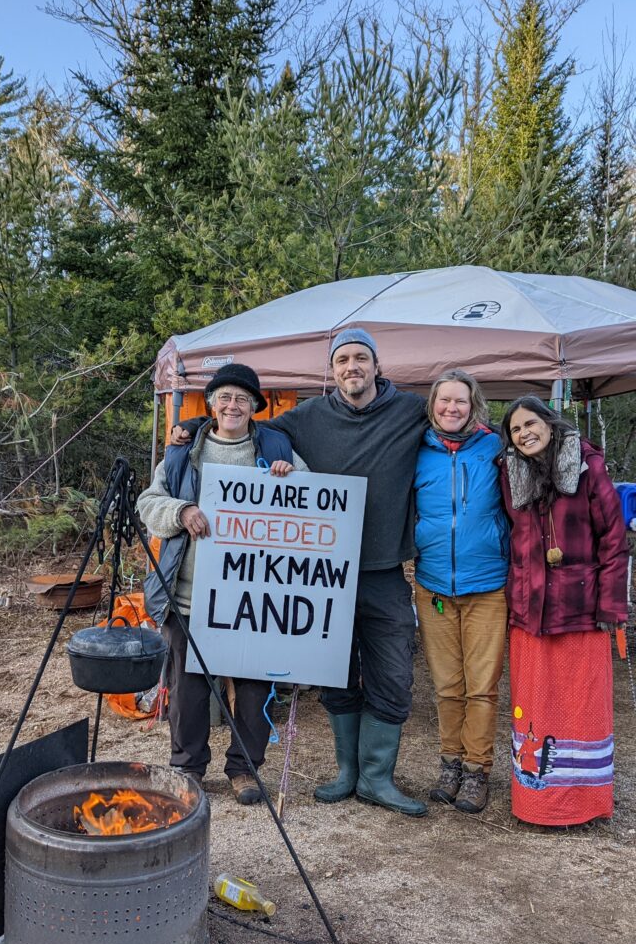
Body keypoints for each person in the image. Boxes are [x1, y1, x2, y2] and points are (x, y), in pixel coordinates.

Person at [172, 328, 429, 816]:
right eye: (342, 361)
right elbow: (242, 422)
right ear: (331, 372)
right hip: (320, 573)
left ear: (376, 365)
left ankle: (378, 777)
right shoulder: (307, 416)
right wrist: (191, 423)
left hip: (381, 569)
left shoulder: (410, 411)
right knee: (334, 674)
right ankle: (346, 774)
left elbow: (458, 418)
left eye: (360, 358)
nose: (351, 367)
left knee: (393, 674)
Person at [137, 363, 307, 805]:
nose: (233, 406)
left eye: (242, 399)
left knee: (253, 689)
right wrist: (181, 512)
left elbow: (313, 503)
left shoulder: (275, 447)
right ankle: (188, 767)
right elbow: (148, 502)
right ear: (211, 405)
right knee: (188, 690)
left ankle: (245, 768)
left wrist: (290, 483)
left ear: (254, 407)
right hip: (189, 593)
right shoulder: (182, 452)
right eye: (225, 398)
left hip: (255, 597)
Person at [500, 395, 628, 826]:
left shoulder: (588, 467)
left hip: (581, 609)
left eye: (531, 423)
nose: (524, 434)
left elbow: (613, 538)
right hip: (529, 611)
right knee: (535, 706)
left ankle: (583, 804)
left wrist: (611, 603)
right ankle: (537, 801)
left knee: (581, 705)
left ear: (550, 424)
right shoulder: (510, 473)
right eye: (516, 429)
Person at [413, 369, 508, 814]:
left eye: (461, 401)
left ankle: (477, 772)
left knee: (481, 688)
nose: (452, 408)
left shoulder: (496, 447)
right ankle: (449, 764)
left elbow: (550, 441)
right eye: (444, 401)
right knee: (447, 685)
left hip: (487, 585)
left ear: (475, 406)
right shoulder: (416, 448)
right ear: (432, 404)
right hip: (433, 585)